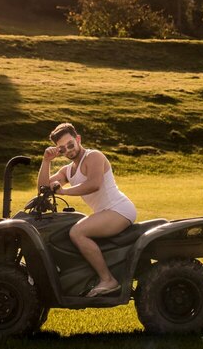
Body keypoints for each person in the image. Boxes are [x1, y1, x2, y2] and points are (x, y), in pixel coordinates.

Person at [37, 122, 137, 297]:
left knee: (77, 232)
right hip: (105, 212)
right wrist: (46, 161)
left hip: (119, 209)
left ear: (78, 139)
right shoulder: (67, 170)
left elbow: (94, 184)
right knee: (72, 227)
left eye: (70, 145)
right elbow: (42, 188)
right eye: (62, 149)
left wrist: (64, 191)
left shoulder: (94, 156)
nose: (68, 150)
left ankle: (108, 280)